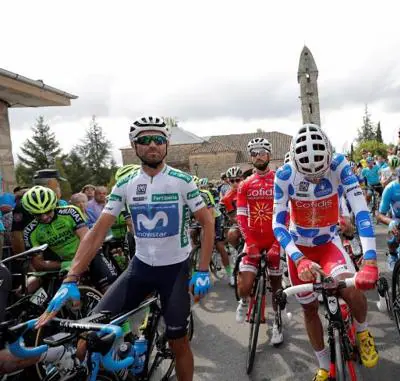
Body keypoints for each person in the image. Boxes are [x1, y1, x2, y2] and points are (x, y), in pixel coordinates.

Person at [37, 117, 215, 381]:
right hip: (140, 267)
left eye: (158, 139)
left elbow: (207, 222)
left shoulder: (181, 180)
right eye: (144, 140)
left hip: (175, 269)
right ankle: (74, 366)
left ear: (167, 144)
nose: (152, 145)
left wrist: (202, 270)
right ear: (134, 145)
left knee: (178, 341)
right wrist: (71, 277)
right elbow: (97, 232)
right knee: (92, 328)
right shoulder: (126, 183)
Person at [273, 124, 379, 381]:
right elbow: (278, 223)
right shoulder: (284, 175)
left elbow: (361, 211)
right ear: (296, 165)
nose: (315, 180)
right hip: (299, 250)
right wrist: (298, 258)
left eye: (320, 174)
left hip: (329, 244)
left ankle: (362, 331)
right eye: (308, 176)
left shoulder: (340, 165)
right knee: (309, 310)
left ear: (329, 159)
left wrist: (371, 260)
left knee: (351, 289)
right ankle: (323, 365)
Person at [21, 186, 118, 293]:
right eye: (38, 215)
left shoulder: (70, 212)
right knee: (27, 290)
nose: (44, 217)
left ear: (54, 206)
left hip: (89, 254)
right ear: (31, 213)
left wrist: (78, 263)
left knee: (110, 290)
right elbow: (38, 264)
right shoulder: (30, 231)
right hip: (63, 264)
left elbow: (86, 239)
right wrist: (65, 265)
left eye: (48, 211)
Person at [235, 138, 284, 345]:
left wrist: (277, 243)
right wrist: (251, 242)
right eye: (254, 153)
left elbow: (286, 213)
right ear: (250, 157)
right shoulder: (245, 184)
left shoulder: (280, 180)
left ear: (269, 155)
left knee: (275, 285)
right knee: (244, 286)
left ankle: (278, 323)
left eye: (262, 152)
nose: (258, 156)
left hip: (275, 239)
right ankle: (244, 300)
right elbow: (241, 216)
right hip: (253, 239)